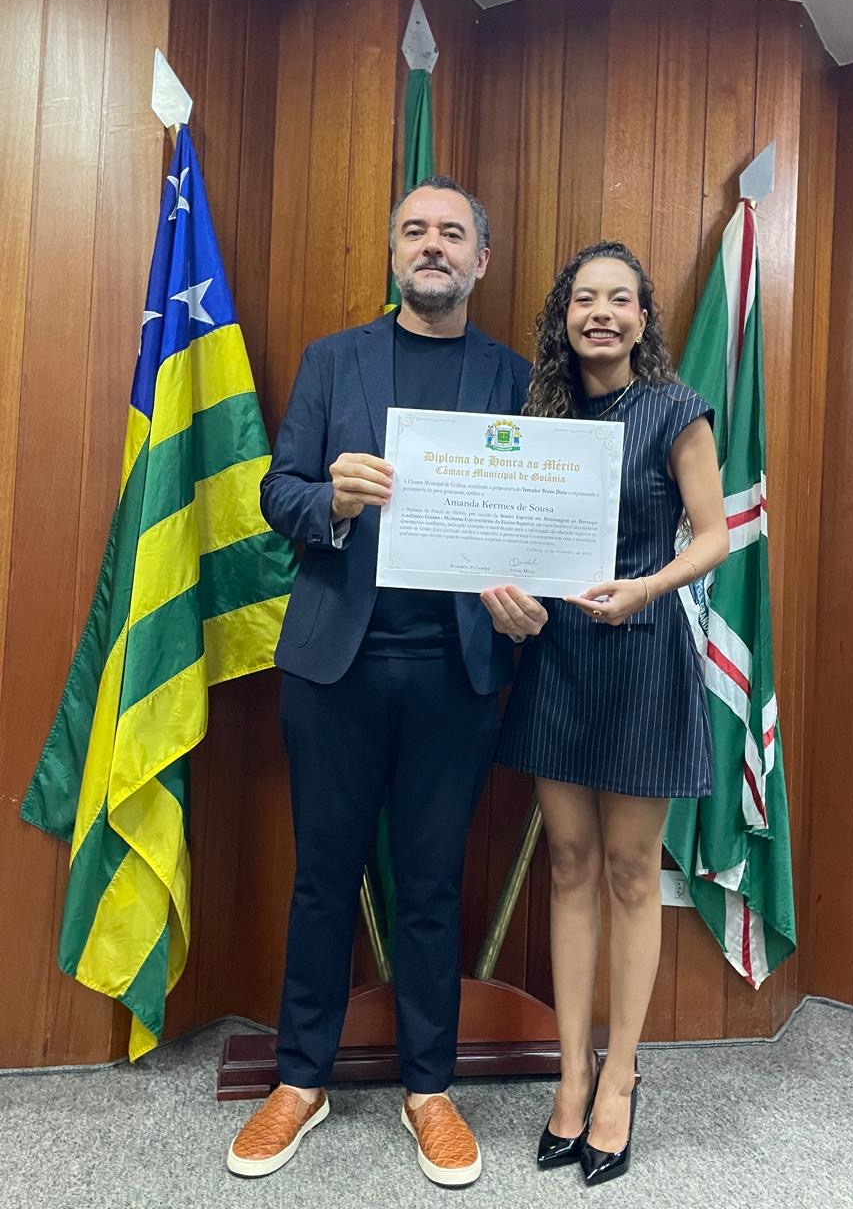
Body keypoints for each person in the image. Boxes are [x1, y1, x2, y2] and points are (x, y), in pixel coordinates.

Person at [227, 177, 530, 1186]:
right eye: (415, 231)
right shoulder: (332, 359)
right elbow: (277, 492)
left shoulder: (516, 378)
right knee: (323, 876)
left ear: (481, 259)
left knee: (433, 885)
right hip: (336, 666)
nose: (432, 246)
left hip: (457, 671)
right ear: (394, 253)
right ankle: (300, 1079)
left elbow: (538, 520)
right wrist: (334, 501)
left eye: (451, 233)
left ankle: (429, 1088)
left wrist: (525, 595)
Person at [480, 241, 728, 1187]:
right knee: (570, 862)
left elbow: (717, 536)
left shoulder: (676, 407)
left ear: (642, 319)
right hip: (558, 657)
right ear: (564, 315)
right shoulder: (539, 416)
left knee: (630, 871)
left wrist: (647, 588)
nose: (602, 313)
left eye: (620, 299)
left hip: (642, 654)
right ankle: (572, 1073)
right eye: (585, 298)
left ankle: (620, 1077)